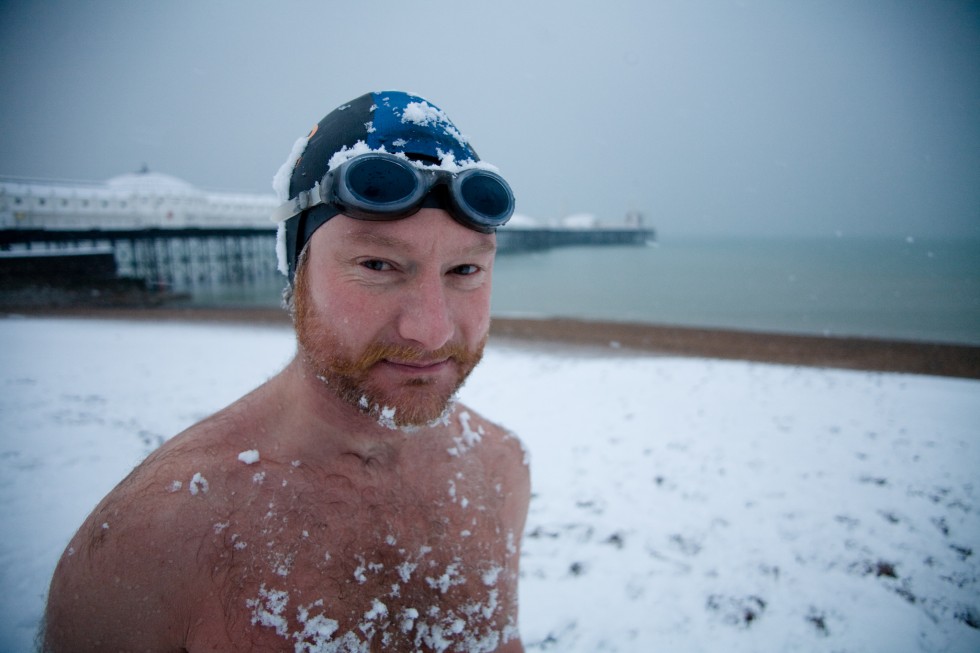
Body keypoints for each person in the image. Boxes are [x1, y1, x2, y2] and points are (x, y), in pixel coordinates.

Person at [42, 91, 531, 652]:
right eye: (377, 264)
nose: (432, 330)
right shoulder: (157, 536)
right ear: (296, 272)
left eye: (464, 269)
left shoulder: (499, 468)